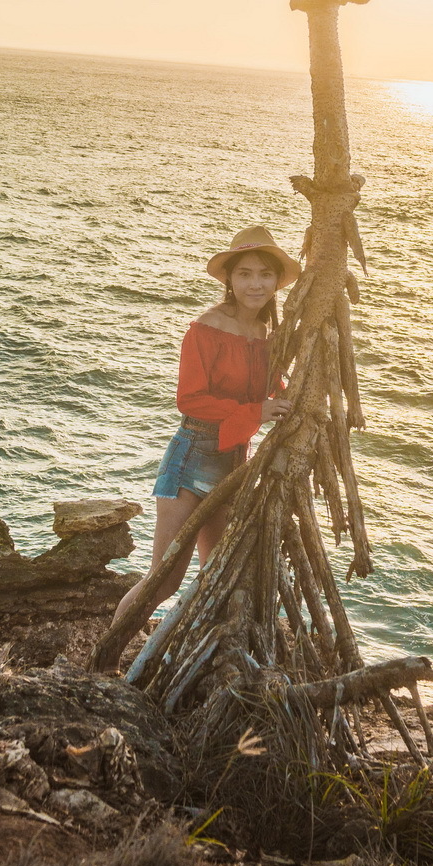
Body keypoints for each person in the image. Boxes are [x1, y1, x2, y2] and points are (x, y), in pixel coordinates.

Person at [112, 225, 299, 629]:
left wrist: (287, 397)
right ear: (230, 280)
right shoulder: (206, 328)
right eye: (245, 273)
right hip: (192, 459)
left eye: (265, 274)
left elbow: (268, 388)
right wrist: (256, 413)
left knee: (216, 579)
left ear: (276, 281)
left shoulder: (269, 334)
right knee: (162, 582)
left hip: (234, 463)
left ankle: (186, 655)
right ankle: (105, 660)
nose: (256, 283)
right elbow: (190, 399)